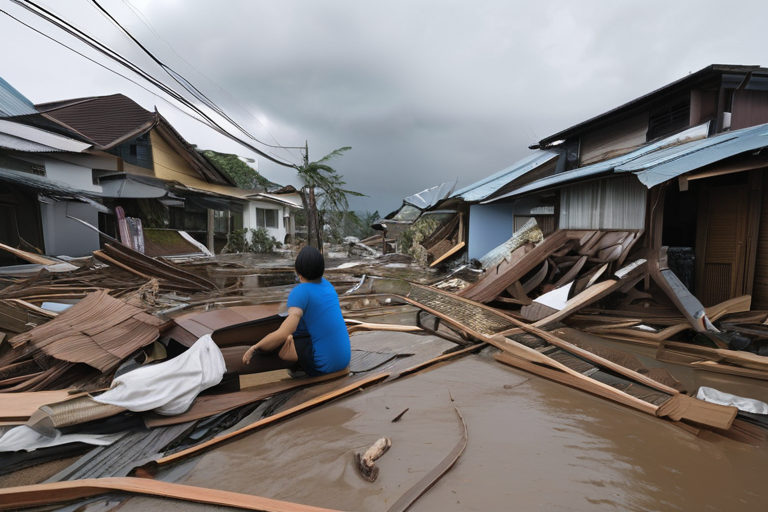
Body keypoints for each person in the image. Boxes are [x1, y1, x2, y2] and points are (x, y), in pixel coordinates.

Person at [223, 246, 351, 377]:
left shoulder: (301, 291)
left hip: (324, 365)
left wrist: (255, 347)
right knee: (306, 324)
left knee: (287, 337)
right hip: (344, 359)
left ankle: (300, 369)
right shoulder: (328, 286)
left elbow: (283, 333)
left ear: (298, 272)